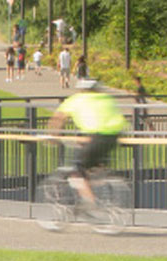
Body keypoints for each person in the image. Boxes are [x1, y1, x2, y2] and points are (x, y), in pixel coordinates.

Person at [47, 78, 127, 212]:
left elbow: (58, 118)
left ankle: (90, 202)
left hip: (95, 136)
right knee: (93, 167)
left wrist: (52, 136)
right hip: (114, 136)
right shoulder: (107, 98)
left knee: (77, 172)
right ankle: (103, 185)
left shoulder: (77, 99)